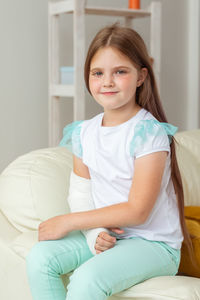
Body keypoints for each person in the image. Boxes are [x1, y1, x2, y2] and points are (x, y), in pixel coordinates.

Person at [26, 24, 193, 300]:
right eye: (98, 73)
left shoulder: (149, 133)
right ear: (88, 77)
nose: (107, 82)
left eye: (120, 72)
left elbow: (138, 211)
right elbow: (80, 194)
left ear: (141, 76)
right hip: (109, 234)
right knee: (40, 259)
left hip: (152, 244)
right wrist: (94, 233)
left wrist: (68, 222)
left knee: (87, 279)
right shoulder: (83, 133)